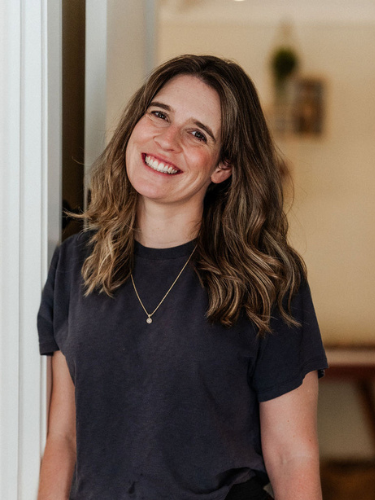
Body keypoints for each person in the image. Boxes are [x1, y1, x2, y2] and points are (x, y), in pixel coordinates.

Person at [37, 54, 328, 500]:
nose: (166, 141)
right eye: (159, 115)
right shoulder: (76, 264)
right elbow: (64, 438)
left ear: (222, 167)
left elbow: (292, 456)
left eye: (197, 133)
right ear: (136, 124)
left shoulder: (268, 279)